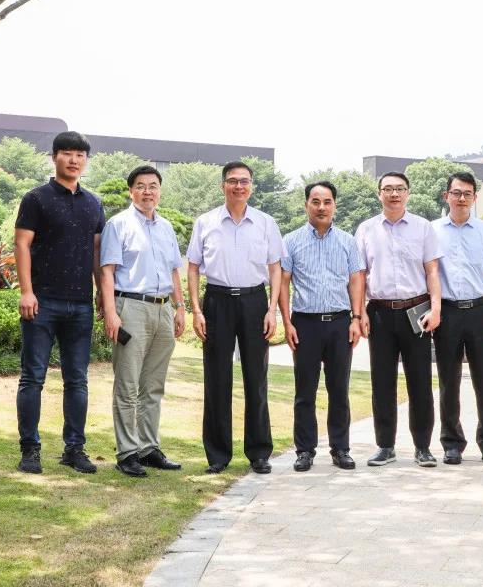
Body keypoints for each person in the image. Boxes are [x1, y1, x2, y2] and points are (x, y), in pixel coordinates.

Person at [14, 131, 105, 475]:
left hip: (80, 305)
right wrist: (27, 291)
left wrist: (100, 293)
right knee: (32, 378)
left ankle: (74, 449)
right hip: (42, 301)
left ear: (86, 160)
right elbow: (22, 245)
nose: (73, 160)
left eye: (80, 155)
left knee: (77, 381)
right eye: (67, 153)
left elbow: (96, 252)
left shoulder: (94, 203)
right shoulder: (36, 198)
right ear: (54, 157)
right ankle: (30, 449)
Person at [187, 161, 285, 475]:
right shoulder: (206, 222)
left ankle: (259, 452)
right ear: (223, 186)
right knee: (217, 378)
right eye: (232, 181)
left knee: (256, 378)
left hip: (255, 301)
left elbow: (275, 269)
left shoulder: (266, 222)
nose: (238, 186)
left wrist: (272, 310)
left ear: (251, 186)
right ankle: (218, 455)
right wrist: (196, 310)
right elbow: (192, 267)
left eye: (244, 181)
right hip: (216, 301)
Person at [99, 165, 187, 478]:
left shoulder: (166, 227)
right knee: (128, 384)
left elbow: (174, 270)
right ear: (131, 191)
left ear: (159, 191)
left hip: (163, 309)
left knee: (153, 385)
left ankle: (149, 448)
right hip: (131, 307)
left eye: (153, 186)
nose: (147, 191)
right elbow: (107, 271)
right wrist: (111, 312)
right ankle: (127, 452)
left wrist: (180, 307)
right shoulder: (118, 224)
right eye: (140, 185)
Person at [355, 171, 443, 468]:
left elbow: (432, 270)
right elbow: (359, 275)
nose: (394, 194)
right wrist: (359, 313)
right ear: (379, 193)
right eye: (388, 189)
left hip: (416, 312)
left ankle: (423, 447)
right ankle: (385, 446)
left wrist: (436, 308)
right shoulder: (366, 229)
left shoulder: (423, 227)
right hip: (379, 312)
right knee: (382, 382)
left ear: (408, 193)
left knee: (420, 382)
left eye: (400, 188)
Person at [278, 181, 366, 472]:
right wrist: (287, 322)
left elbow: (356, 279)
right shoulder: (291, 241)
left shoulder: (347, 241)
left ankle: (341, 449)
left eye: (327, 202)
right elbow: (283, 282)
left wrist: (356, 318)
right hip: (305, 324)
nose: (321, 207)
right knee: (305, 391)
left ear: (334, 205)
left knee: (339, 389)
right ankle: (304, 450)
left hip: (340, 323)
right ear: (306, 205)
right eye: (315, 201)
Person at [432, 172, 483, 466]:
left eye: (467, 194)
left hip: (480, 311)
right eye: (456, 193)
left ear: (474, 198)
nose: (461, 198)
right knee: (448, 382)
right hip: (447, 312)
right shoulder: (432, 231)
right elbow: (429, 273)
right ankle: (452, 443)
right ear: (446, 196)